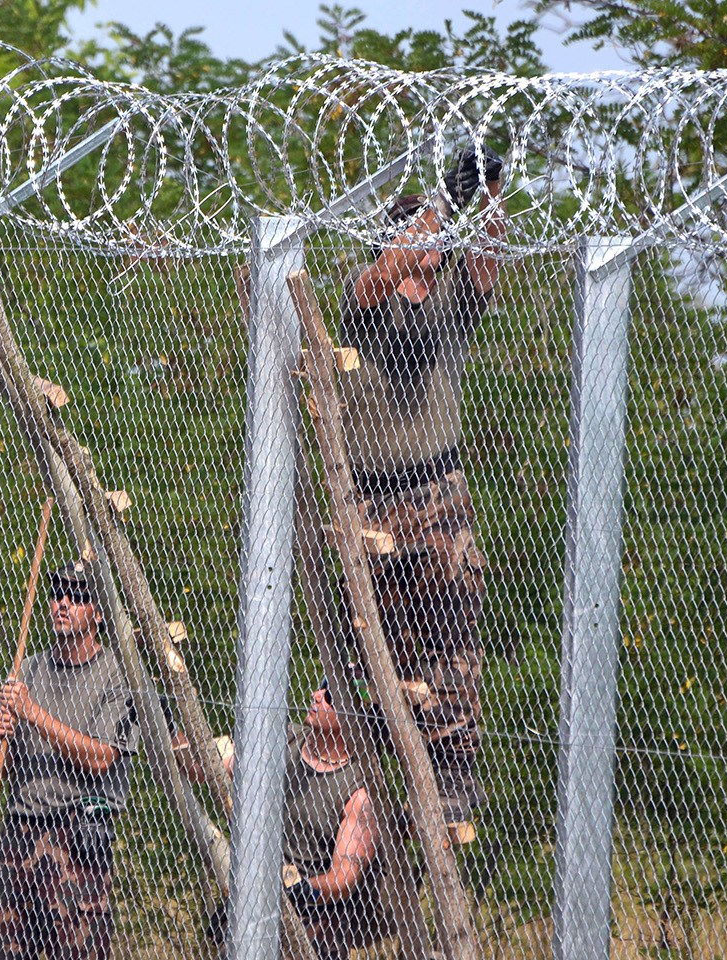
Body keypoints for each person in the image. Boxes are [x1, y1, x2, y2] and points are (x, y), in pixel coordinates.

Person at [336, 143, 508, 826]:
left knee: (453, 643)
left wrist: (490, 191)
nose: (432, 247)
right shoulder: (367, 296)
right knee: (382, 646)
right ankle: (382, 782)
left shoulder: (447, 308)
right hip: (374, 502)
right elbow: (386, 272)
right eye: (419, 235)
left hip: (436, 494)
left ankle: (454, 776)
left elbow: (487, 264)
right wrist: (443, 202)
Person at [0, 561, 139, 960]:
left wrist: (32, 713)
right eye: (57, 593)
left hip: (76, 835)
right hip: (20, 832)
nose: (62, 603)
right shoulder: (28, 668)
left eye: (78, 595)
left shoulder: (118, 676)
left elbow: (102, 758)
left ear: (99, 613)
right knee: (1, 947)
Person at [179, 680, 384, 960]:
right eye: (321, 687)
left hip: (312, 917)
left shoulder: (359, 790)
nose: (316, 695)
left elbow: (343, 877)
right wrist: (171, 730)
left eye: (330, 695)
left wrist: (302, 891)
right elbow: (205, 768)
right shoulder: (286, 738)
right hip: (256, 891)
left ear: (354, 713)